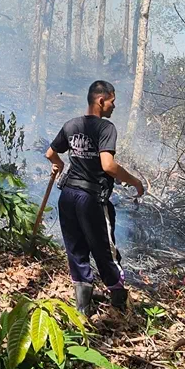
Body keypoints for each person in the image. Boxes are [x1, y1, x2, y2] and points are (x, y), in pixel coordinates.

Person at [45, 80, 145, 313]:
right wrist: (135, 181)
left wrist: (59, 164)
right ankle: (119, 304)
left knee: (77, 251)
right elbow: (108, 166)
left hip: (68, 196)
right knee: (105, 251)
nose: (114, 106)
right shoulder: (106, 128)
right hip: (91, 199)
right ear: (101, 100)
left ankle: (83, 310)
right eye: (112, 101)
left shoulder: (71, 125)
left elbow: (50, 153)